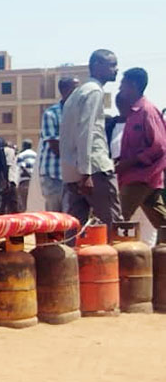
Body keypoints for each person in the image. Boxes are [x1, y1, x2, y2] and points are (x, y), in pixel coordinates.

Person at [61, 49, 123, 229]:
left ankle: (70, 258)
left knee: (74, 229)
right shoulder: (94, 91)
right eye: (112, 65)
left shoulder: (78, 93)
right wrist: (86, 173)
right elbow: (85, 132)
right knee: (114, 224)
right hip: (94, 170)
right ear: (97, 66)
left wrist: (77, 172)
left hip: (74, 171)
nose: (116, 69)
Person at [114, 68, 166, 242]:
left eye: (123, 84)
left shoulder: (147, 111)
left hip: (140, 178)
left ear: (133, 85)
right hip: (139, 177)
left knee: (117, 219)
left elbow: (159, 146)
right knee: (161, 220)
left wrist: (130, 163)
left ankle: (109, 262)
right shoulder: (134, 113)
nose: (120, 88)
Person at [38, 77, 81, 212]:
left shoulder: (80, 113)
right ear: (64, 91)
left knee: (71, 217)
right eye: (75, 89)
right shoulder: (51, 114)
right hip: (54, 175)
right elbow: (56, 147)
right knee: (55, 218)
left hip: (72, 176)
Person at [16, 140, 37, 213]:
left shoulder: (21, 155)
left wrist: (29, 175)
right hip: (35, 182)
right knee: (34, 203)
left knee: (23, 204)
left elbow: (22, 167)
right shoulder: (36, 155)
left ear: (24, 146)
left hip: (25, 181)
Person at [1, 142, 20, 214]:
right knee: (14, 204)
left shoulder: (1, 151)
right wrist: (7, 181)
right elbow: (8, 166)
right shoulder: (10, 151)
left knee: (3, 204)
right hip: (10, 181)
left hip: (2, 181)